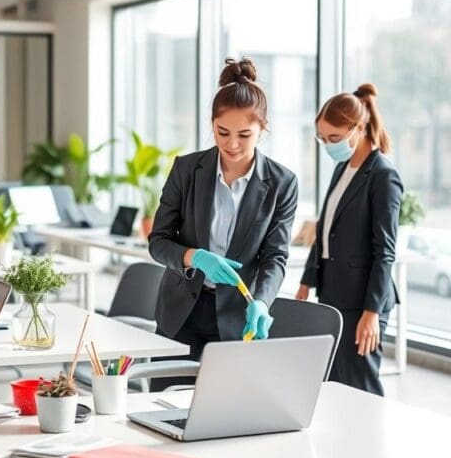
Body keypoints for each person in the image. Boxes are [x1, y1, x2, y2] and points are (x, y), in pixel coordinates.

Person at [148, 57, 298, 388]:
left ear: (263, 128)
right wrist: (194, 257)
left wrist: (261, 301)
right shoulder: (187, 170)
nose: (232, 144)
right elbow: (158, 241)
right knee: (161, 408)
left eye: (245, 134)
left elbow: (276, 257)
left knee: (222, 416)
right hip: (180, 313)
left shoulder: (282, 183)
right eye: (222, 132)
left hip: (236, 318)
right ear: (211, 125)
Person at [296, 84, 402, 396]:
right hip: (334, 295)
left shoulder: (383, 175)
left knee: (361, 386)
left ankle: (370, 444)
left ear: (357, 128)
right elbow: (326, 229)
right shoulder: (342, 167)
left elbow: (385, 251)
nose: (328, 145)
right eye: (322, 139)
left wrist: (371, 312)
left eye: (334, 138)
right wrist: (305, 283)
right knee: (336, 384)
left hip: (363, 301)